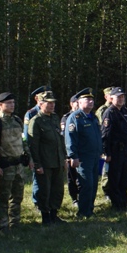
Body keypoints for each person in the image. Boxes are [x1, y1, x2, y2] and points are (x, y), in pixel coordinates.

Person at [0, 92, 28, 230]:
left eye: (13, 103)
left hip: (18, 164)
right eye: (8, 103)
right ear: (0, 105)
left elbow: (23, 139)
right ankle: (3, 225)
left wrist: (28, 156)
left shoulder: (17, 120)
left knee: (17, 197)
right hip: (5, 165)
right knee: (3, 197)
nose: (12, 105)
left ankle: (15, 222)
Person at [27, 91, 67, 225]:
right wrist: (37, 164)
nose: (52, 105)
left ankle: (54, 214)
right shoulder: (36, 121)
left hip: (57, 160)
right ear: (40, 103)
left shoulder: (55, 118)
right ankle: (45, 216)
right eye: (49, 103)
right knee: (45, 190)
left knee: (58, 190)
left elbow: (60, 140)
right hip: (45, 162)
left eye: (53, 103)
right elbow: (33, 145)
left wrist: (64, 158)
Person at [65, 89, 103, 218]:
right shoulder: (75, 117)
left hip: (94, 156)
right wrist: (73, 156)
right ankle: (83, 212)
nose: (91, 102)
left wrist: (100, 151)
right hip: (83, 157)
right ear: (79, 102)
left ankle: (89, 210)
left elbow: (98, 136)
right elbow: (70, 138)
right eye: (87, 100)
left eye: (92, 100)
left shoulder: (93, 117)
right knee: (86, 184)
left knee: (93, 185)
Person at [100, 87, 127, 211]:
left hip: (125, 149)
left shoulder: (124, 111)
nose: (121, 99)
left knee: (125, 177)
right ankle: (116, 203)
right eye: (118, 97)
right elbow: (105, 135)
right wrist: (106, 152)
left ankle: (123, 201)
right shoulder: (109, 113)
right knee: (115, 177)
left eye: (122, 97)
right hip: (115, 150)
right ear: (111, 98)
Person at [22, 86, 49, 209]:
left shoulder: (50, 112)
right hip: (36, 149)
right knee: (37, 177)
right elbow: (28, 136)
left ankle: (46, 201)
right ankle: (37, 201)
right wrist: (30, 155)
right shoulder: (31, 113)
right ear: (37, 98)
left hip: (48, 151)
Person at [61, 96, 81, 209]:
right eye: (75, 102)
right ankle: (74, 198)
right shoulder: (66, 118)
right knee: (72, 176)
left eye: (79, 102)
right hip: (71, 152)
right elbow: (65, 136)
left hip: (82, 152)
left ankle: (82, 196)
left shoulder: (85, 116)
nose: (77, 104)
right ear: (71, 104)